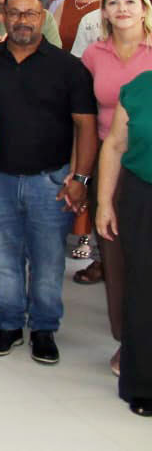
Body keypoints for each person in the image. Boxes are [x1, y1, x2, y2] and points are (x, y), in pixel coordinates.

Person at [0, 0, 98, 365]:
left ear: (43, 17)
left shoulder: (68, 67)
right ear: (4, 18)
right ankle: (9, 324)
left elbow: (86, 127)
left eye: (30, 13)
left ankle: (44, 329)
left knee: (48, 261)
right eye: (15, 14)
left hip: (51, 181)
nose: (22, 21)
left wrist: (80, 178)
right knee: (3, 259)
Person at [74, 0, 151, 374]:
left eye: (130, 1)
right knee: (118, 259)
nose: (122, 9)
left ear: (144, 7)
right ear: (103, 11)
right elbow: (82, 118)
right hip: (108, 160)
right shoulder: (93, 54)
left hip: (145, 162)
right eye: (114, 2)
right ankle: (128, 342)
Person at [94, 67, 152, 416]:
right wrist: (103, 202)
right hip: (142, 195)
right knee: (143, 287)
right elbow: (115, 146)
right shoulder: (138, 88)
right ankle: (143, 384)